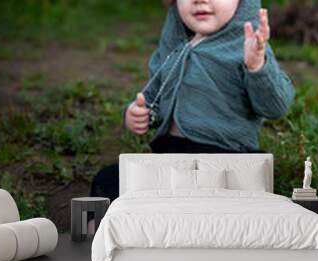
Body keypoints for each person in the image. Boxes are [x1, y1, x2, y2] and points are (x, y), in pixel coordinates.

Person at [90, 0, 296, 203]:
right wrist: (136, 113)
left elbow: (275, 106)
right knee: (108, 182)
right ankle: (110, 233)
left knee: (211, 201)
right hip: (171, 157)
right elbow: (154, 92)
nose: (200, 1)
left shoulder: (248, 46)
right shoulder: (175, 43)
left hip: (225, 159)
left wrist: (257, 66)